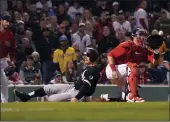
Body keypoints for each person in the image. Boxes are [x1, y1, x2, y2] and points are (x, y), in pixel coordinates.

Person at [14, 48, 100, 102]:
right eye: (85, 55)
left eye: (87, 55)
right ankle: (27, 96)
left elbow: (86, 87)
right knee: (48, 87)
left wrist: (77, 98)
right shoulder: (89, 67)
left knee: (51, 99)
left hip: (78, 93)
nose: (85, 57)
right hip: (73, 87)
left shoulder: (93, 69)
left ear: (93, 57)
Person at [103, 29, 164, 102]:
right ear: (134, 37)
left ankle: (106, 97)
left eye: (144, 38)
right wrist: (113, 70)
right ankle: (133, 96)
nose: (142, 40)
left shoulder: (144, 50)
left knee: (126, 93)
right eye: (140, 37)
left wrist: (156, 51)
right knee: (134, 66)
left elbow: (155, 62)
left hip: (125, 72)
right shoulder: (128, 45)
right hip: (113, 69)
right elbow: (110, 55)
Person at [0, 14, 15, 103]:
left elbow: (12, 50)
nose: (8, 23)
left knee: (5, 81)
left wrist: (12, 61)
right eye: (6, 21)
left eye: (9, 21)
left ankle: (4, 101)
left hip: (3, 60)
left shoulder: (10, 35)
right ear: (1, 20)